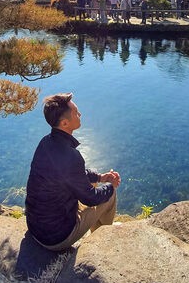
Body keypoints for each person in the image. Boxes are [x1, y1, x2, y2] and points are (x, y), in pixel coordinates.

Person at [25, 93, 120, 251]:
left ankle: (96, 230)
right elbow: (91, 198)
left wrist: (101, 177)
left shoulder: (45, 143)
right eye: (76, 112)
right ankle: (101, 243)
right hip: (56, 238)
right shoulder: (71, 156)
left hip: (36, 227)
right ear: (64, 123)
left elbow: (72, 174)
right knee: (109, 195)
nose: (80, 114)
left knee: (95, 181)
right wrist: (111, 185)